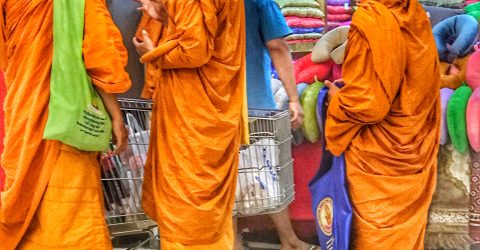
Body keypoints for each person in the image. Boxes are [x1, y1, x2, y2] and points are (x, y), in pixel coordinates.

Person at [0, 0, 132, 249]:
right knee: (72, 220)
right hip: (68, 123)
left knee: (30, 214)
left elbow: (5, 56)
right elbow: (100, 51)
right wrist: (116, 115)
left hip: (23, 114)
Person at [323, 0, 440, 247]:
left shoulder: (371, 20)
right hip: (414, 147)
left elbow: (369, 106)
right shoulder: (415, 13)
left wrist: (338, 100)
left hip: (379, 158)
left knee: (376, 239)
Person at [132, 0, 248, 249]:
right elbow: (206, 34)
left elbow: (193, 51)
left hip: (193, 116)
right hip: (212, 110)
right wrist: (167, 18)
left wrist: (152, 54)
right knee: (209, 215)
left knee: (187, 210)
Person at [233, 1, 317, 250]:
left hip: (214, 106)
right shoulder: (261, 2)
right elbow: (277, 46)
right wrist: (293, 98)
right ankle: (288, 239)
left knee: (225, 176)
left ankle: (233, 241)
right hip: (253, 103)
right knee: (269, 171)